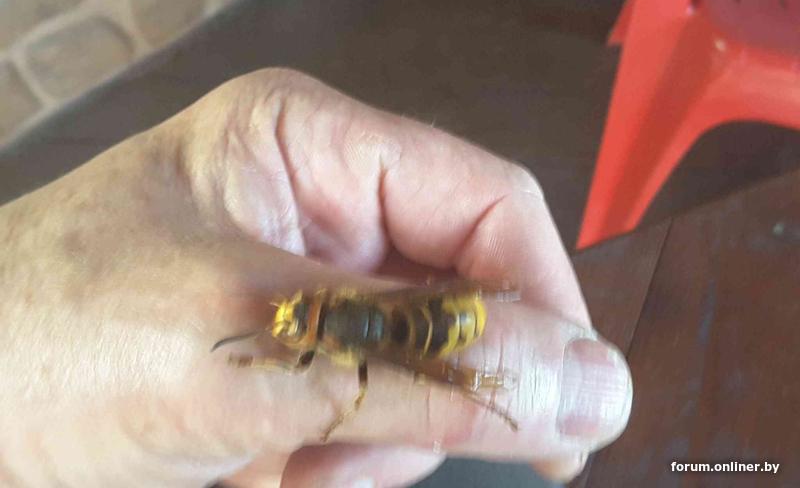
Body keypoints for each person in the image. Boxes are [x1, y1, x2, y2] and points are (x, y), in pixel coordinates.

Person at [0, 69, 632, 487]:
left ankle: (492, 387)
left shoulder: (328, 344)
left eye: (295, 319)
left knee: (429, 377)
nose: (288, 318)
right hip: (439, 314)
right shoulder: (338, 308)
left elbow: (341, 382)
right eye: (295, 317)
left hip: (431, 329)